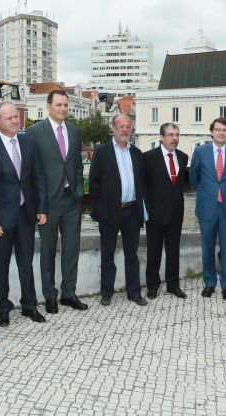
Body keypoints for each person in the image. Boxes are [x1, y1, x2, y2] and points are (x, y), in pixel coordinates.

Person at [0, 103, 48, 325]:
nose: (14, 121)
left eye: (16, 117)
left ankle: (29, 305)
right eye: (9, 118)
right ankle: (3, 308)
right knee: (1, 264)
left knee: (26, 262)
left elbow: (38, 177)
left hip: (26, 214)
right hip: (2, 219)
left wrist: (42, 208)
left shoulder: (29, 143)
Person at [25, 89, 88, 313]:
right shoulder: (34, 132)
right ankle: (50, 295)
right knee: (48, 251)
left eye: (65, 105)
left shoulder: (74, 130)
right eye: (59, 105)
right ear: (49, 106)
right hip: (48, 204)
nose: (63, 109)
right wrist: (37, 204)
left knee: (72, 249)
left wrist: (79, 190)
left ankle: (69, 294)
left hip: (72, 200)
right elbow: (29, 170)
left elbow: (77, 165)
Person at [89, 114, 147, 307]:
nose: (124, 130)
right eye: (121, 126)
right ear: (113, 129)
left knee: (132, 254)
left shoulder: (137, 153)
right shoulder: (102, 152)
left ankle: (134, 292)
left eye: (128, 127)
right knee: (108, 253)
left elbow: (142, 184)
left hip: (131, 211)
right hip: (109, 212)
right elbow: (94, 183)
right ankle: (106, 292)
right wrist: (99, 209)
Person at [189, 117, 226, 301]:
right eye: (218, 130)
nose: (221, 133)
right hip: (207, 207)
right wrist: (207, 193)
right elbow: (194, 178)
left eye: (225, 130)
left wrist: (225, 192)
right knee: (208, 247)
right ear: (211, 132)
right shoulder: (200, 152)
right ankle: (209, 283)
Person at [142, 123, 188, 300]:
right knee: (154, 251)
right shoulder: (148, 158)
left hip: (176, 213)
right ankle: (152, 286)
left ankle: (173, 285)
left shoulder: (183, 157)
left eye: (177, 134)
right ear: (161, 137)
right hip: (155, 214)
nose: (174, 138)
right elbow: (143, 185)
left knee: (173, 251)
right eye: (170, 135)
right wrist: (147, 208)